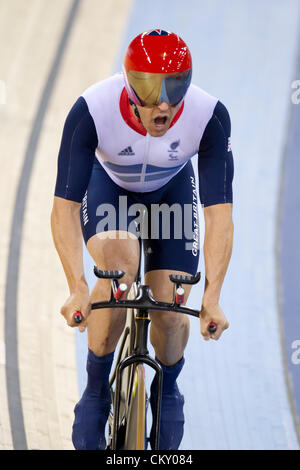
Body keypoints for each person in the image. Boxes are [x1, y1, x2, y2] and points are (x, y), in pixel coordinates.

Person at [51, 29, 234, 450]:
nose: (165, 102)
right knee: (118, 271)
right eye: (151, 89)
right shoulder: (92, 109)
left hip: (172, 192)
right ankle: (95, 391)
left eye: (176, 85)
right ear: (129, 82)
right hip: (109, 188)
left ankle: (167, 387)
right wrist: (77, 288)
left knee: (172, 303)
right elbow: (63, 205)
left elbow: (219, 214)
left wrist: (213, 296)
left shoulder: (209, 115)